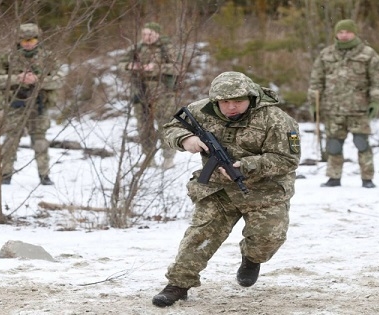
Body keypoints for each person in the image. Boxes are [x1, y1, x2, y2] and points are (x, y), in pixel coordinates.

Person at [152, 71, 301, 307]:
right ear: (215, 100)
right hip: (217, 190)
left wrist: (249, 165)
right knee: (199, 236)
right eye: (225, 102)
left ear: (250, 98)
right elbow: (170, 127)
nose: (231, 107)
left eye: (238, 102)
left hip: (265, 190)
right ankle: (178, 285)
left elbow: (287, 160)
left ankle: (252, 258)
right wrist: (185, 139)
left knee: (268, 239)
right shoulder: (201, 110)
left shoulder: (277, 120)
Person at [308, 19, 379, 189]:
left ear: (354, 33)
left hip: (359, 108)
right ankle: (334, 177)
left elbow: (378, 80)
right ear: (336, 34)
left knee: (362, 143)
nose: (344, 35)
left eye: (347, 32)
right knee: (334, 145)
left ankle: (367, 178)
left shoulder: (367, 54)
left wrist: (375, 101)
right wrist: (314, 104)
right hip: (333, 109)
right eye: (341, 32)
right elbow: (316, 82)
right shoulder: (326, 55)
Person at [0, 23, 65, 185]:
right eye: (24, 40)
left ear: (38, 39)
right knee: (10, 141)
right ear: (19, 40)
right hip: (15, 104)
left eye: (32, 39)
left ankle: (44, 175)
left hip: (38, 104)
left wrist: (38, 80)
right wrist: (16, 78)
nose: (28, 43)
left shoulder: (48, 57)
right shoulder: (8, 57)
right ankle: (6, 174)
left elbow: (60, 79)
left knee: (40, 141)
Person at [118, 22, 180, 169]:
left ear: (157, 34)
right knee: (144, 126)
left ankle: (168, 158)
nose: (147, 37)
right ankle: (148, 157)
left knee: (165, 125)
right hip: (141, 92)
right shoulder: (137, 48)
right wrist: (130, 66)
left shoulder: (167, 48)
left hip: (163, 93)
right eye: (144, 34)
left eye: (150, 34)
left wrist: (157, 67)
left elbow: (177, 67)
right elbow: (121, 63)